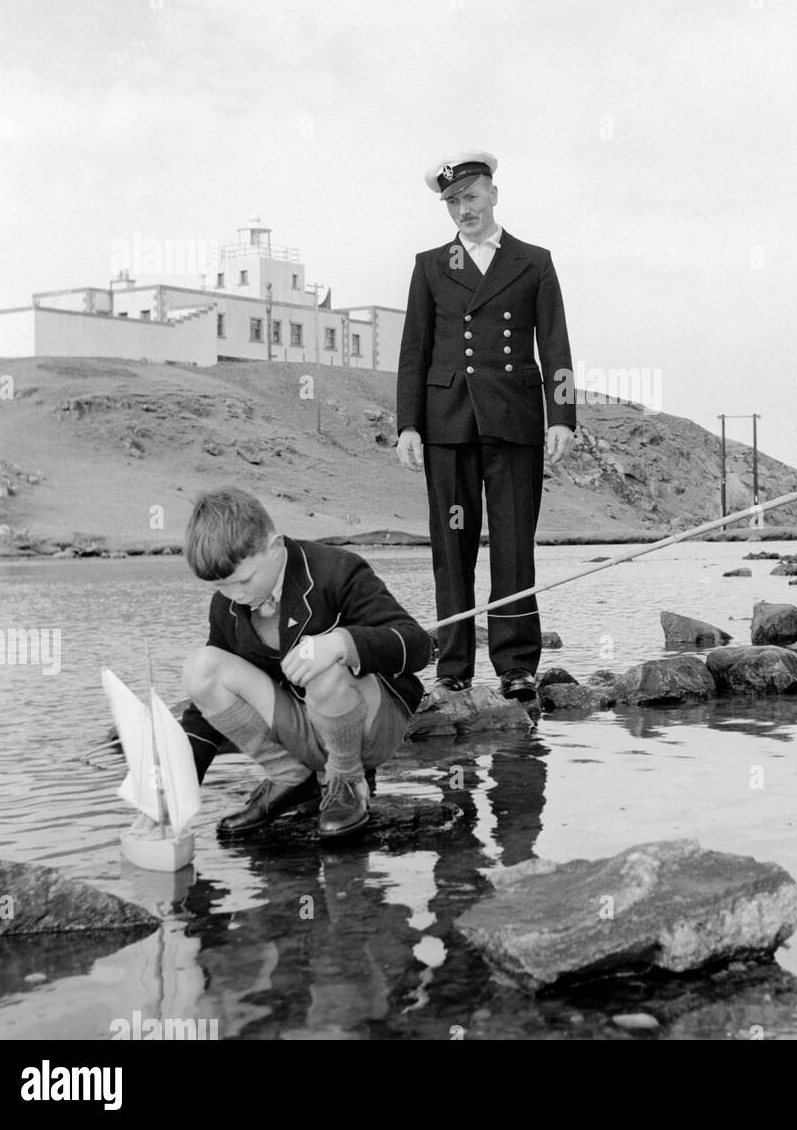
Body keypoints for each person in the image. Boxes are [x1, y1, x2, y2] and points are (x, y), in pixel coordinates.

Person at [396, 151, 575, 708]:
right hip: (448, 422)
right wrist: (408, 425)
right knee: (452, 550)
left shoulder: (534, 261)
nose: (462, 210)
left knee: (514, 548)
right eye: (452, 202)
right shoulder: (430, 265)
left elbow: (557, 345)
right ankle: (452, 667)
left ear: (493, 194)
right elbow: (413, 352)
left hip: (515, 421)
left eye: (470, 198)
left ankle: (517, 667)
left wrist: (562, 417)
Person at [179, 488, 430, 839]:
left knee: (321, 661)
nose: (236, 596)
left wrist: (341, 643)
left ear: (275, 547)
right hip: (300, 731)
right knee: (200, 668)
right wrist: (174, 791)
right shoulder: (228, 607)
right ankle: (291, 778)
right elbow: (200, 712)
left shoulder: (337, 569)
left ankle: (346, 781)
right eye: (222, 586)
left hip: (370, 726)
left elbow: (417, 646)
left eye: (244, 580)